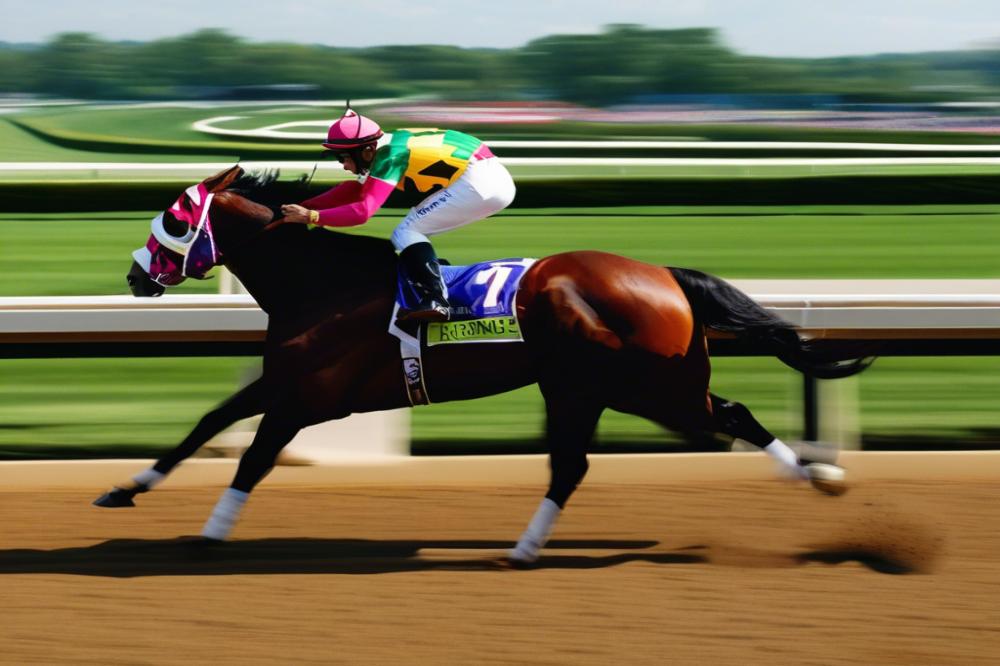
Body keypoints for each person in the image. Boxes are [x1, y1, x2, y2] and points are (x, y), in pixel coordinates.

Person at [280, 107, 516, 322]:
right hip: (486, 177)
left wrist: (311, 216)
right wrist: (301, 205)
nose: (343, 165)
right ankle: (432, 278)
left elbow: (363, 212)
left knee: (407, 231)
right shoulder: (383, 145)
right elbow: (354, 190)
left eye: (343, 157)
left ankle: (436, 300)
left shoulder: (389, 155)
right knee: (414, 231)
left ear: (367, 151)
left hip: (479, 182)